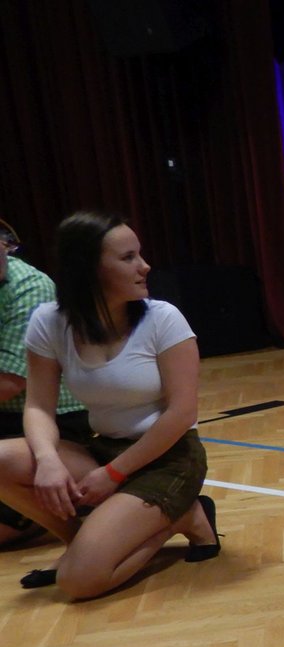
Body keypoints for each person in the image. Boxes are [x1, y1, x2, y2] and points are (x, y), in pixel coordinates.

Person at [0, 211, 219, 598]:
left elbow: (182, 414)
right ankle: (79, 542)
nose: (144, 266)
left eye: (139, 254)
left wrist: (114, 474)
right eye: (128, 257)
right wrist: (47, 459)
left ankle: (180, 517)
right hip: (102, 449)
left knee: (77, 581)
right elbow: (37, 407)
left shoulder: (163, 318)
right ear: (89, 269)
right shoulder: (50, 321)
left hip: (168, 458)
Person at [0, 219, 91, 545]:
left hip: (50, 421)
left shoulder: (29, 288)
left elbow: (8, 384)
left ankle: (39, 514)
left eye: (4, 242)